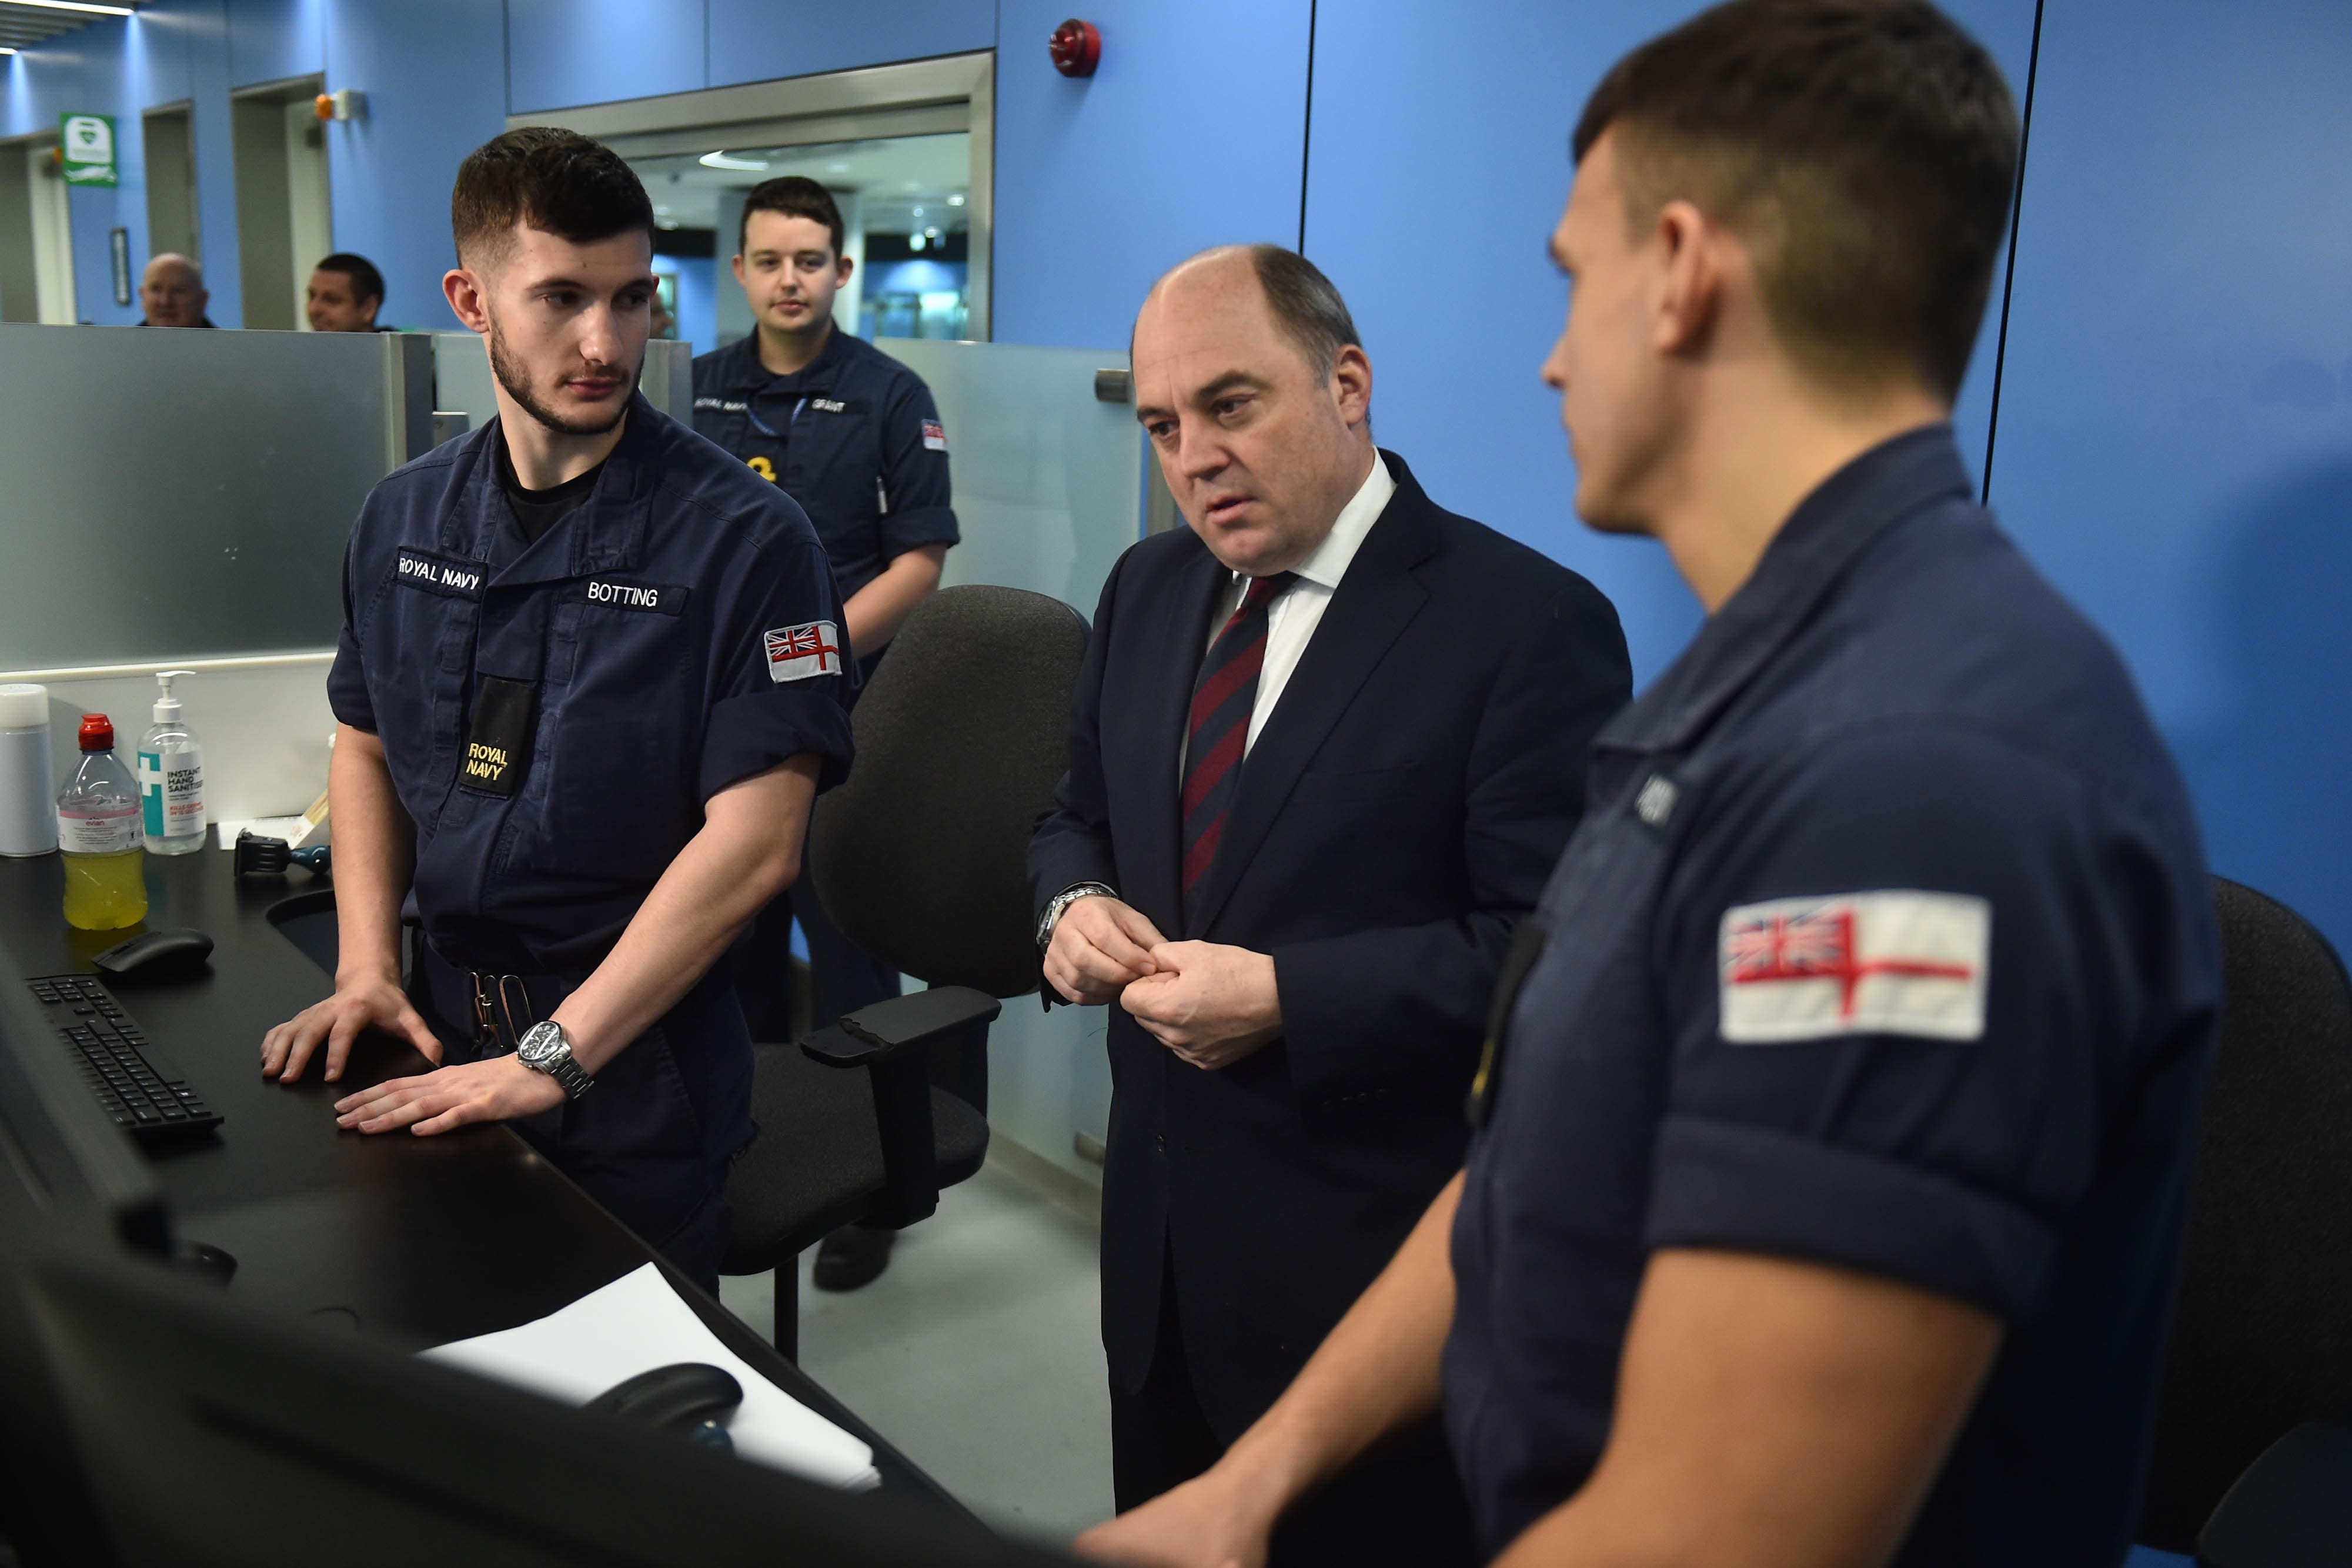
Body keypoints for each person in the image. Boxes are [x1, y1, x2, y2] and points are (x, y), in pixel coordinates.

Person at [1075, 5, 2223, 1568]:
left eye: (1571, 275)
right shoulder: (1761, 686)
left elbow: (1733, 1529)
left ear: (1681, 272)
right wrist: (1257, 1479)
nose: (1550, 350)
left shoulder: (1917, 781)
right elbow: (1532, 1151)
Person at [1032, 244, 1632, 1565]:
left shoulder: (1524, 627)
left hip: (1369, 1295)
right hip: (1156, 1266)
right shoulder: (1145, 590)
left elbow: (1558, 963)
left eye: (1229, 405)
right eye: (1160, 424)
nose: (1191, 456)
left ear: (1345, 384)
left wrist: (1291, 999)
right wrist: (1068, 905)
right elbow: (1069, 816)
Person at [258, 128, 855, 1293]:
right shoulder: (401, 520)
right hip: (432, 1021)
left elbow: (755, 844)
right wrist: (365, 966)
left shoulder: (745, 540)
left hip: (634, 1066)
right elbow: (367, 741)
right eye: (562, 299)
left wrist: (555, 1056)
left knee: (622, 1430)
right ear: (469, 300)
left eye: (631, 298)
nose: (604, 342)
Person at [692, 175, 961, 1293]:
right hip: (714, 725)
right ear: (743, 269)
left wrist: (794, 654)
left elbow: (920, 564)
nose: (790, 278)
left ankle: (869, 1186)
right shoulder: (694, 390)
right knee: (728, 939)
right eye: (770, 258)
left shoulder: (893, 394)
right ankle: (738, 1148)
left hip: (847, 719)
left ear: (841, 272)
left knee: (849, 947)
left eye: (811, 259)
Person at [306, 252, 390, 332]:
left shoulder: (398, 346)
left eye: (331, 300)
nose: (314, 309)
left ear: (369, 308)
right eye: (312, 297)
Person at [137, 253, 213, 327]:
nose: (165, 301)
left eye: (178, 291)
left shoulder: (223, 340)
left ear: (203, 300)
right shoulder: (127, 340)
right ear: (142, 296)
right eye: (156, 289)